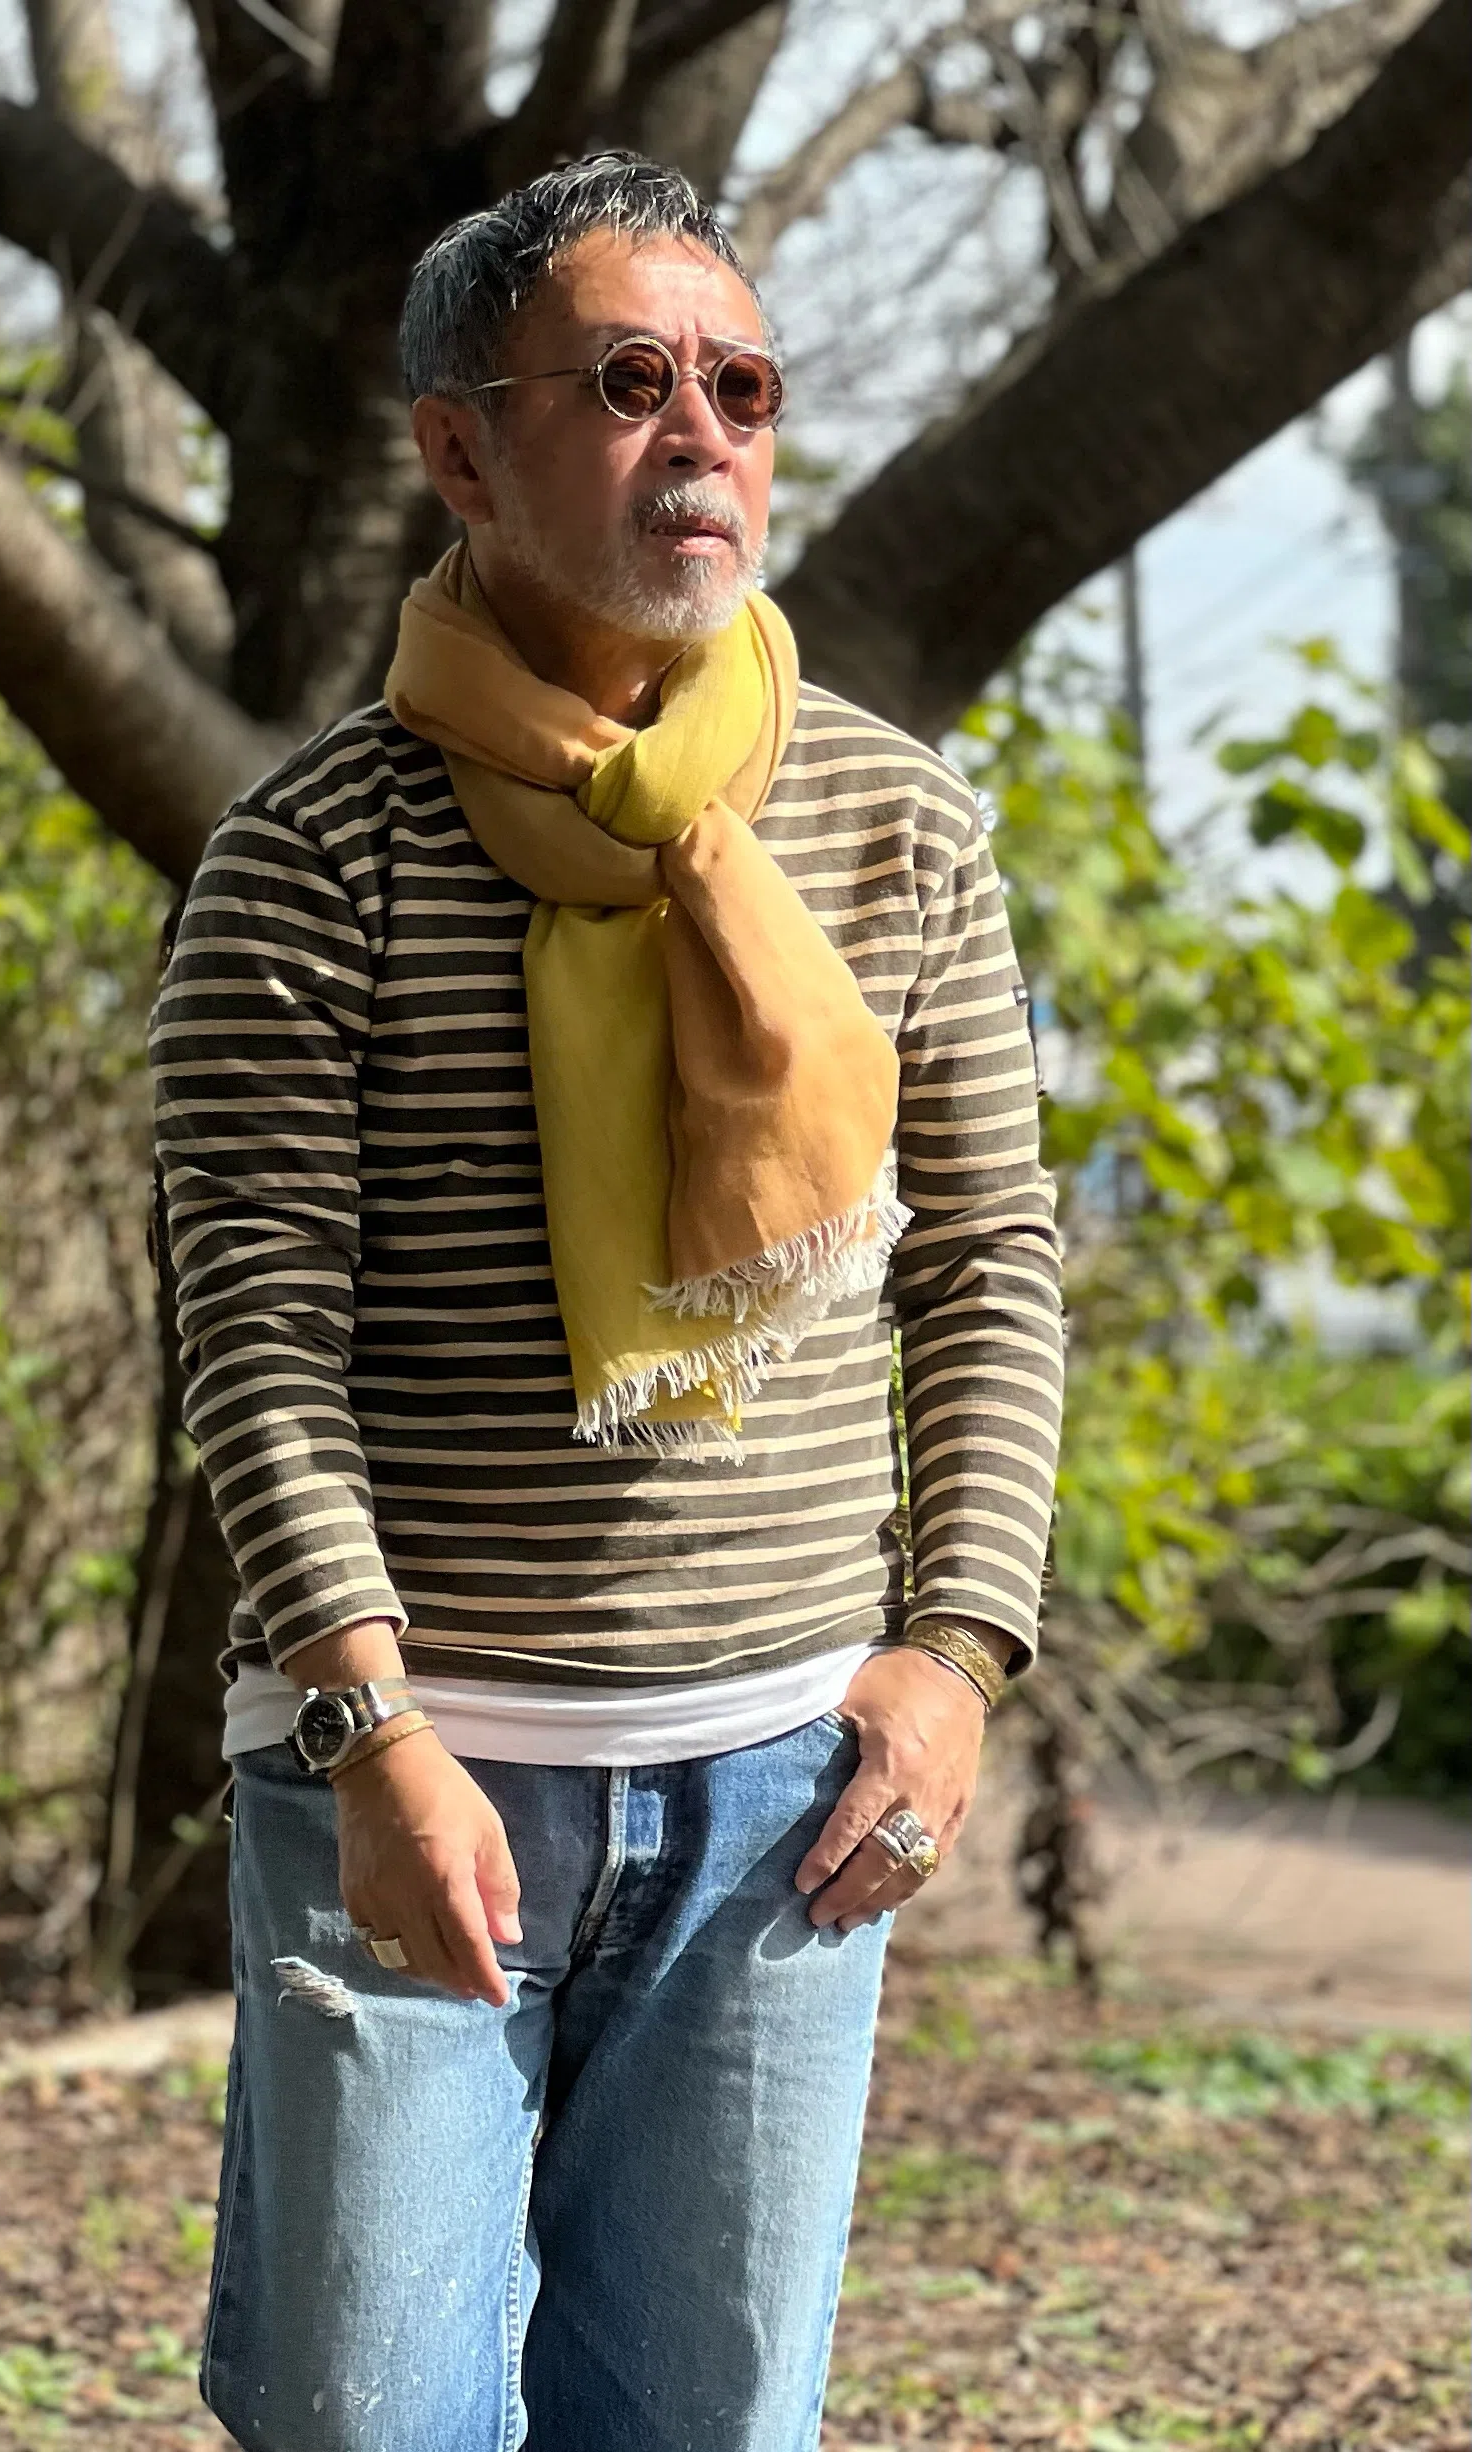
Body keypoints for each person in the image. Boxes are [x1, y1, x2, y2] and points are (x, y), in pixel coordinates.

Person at [151, 150, 1063, 2452]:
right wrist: (371, 1732)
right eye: (633, 380)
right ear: (461, 451)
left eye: (740, 388)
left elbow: (983, 1257)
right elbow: (251, 1328)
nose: (702, 436)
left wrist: (957, 1652)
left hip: (781, 1792)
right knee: (373, 2419)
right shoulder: (309, 857)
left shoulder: (895, 825)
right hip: (410, 1776)